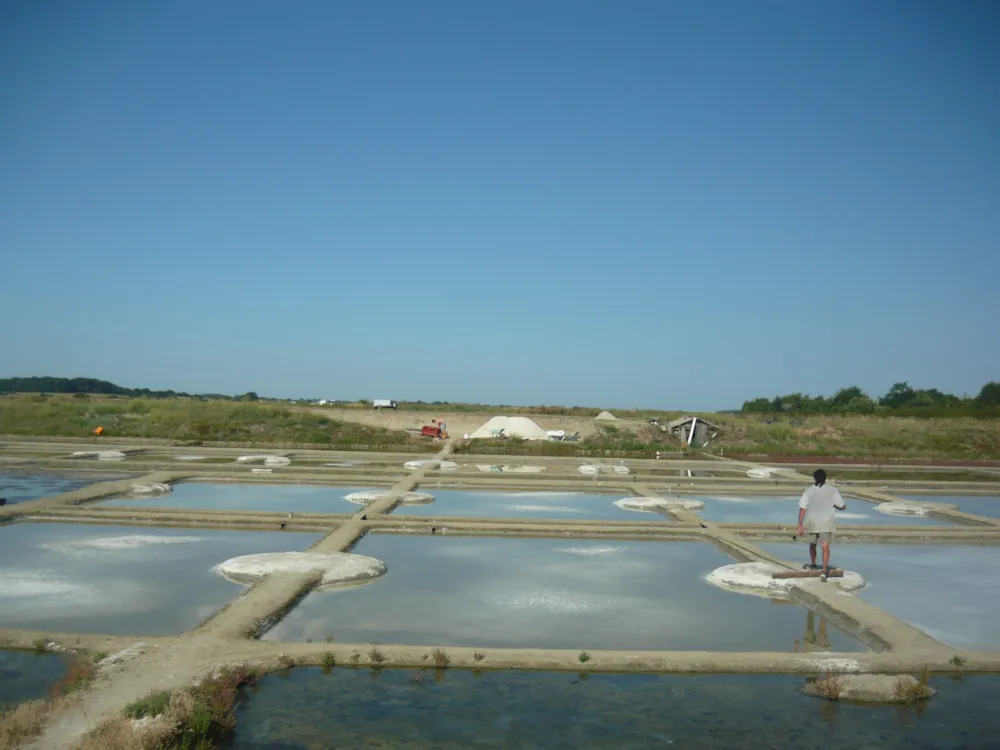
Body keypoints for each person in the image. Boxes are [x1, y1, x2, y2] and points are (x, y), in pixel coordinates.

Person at [796, 468, 846, 581]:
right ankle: (824, 570)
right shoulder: (832, 490)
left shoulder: (808, 491)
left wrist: (800, 525)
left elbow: (802, 508)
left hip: (812, 521)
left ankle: (813, 564)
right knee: (825, 546)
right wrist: (839, 507)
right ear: (825, 478)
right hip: (826, 522)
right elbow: (842, 506)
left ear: (814, 478)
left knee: (812, 545)